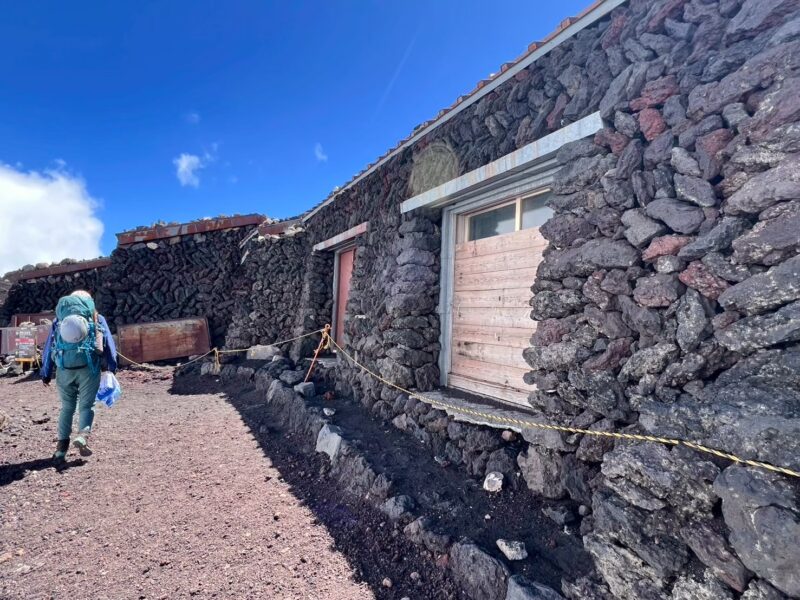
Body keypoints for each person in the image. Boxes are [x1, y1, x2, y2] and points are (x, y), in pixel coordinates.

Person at [41, 290, 117, 462]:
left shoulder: (59, 320)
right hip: (88, 369)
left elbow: (49, 347)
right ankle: (83, 436)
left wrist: (46, 373)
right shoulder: (97, 318)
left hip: (64, 369)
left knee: (67, 407)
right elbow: (109, 344)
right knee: (86, 406)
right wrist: (111, 368)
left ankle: (61, 449)